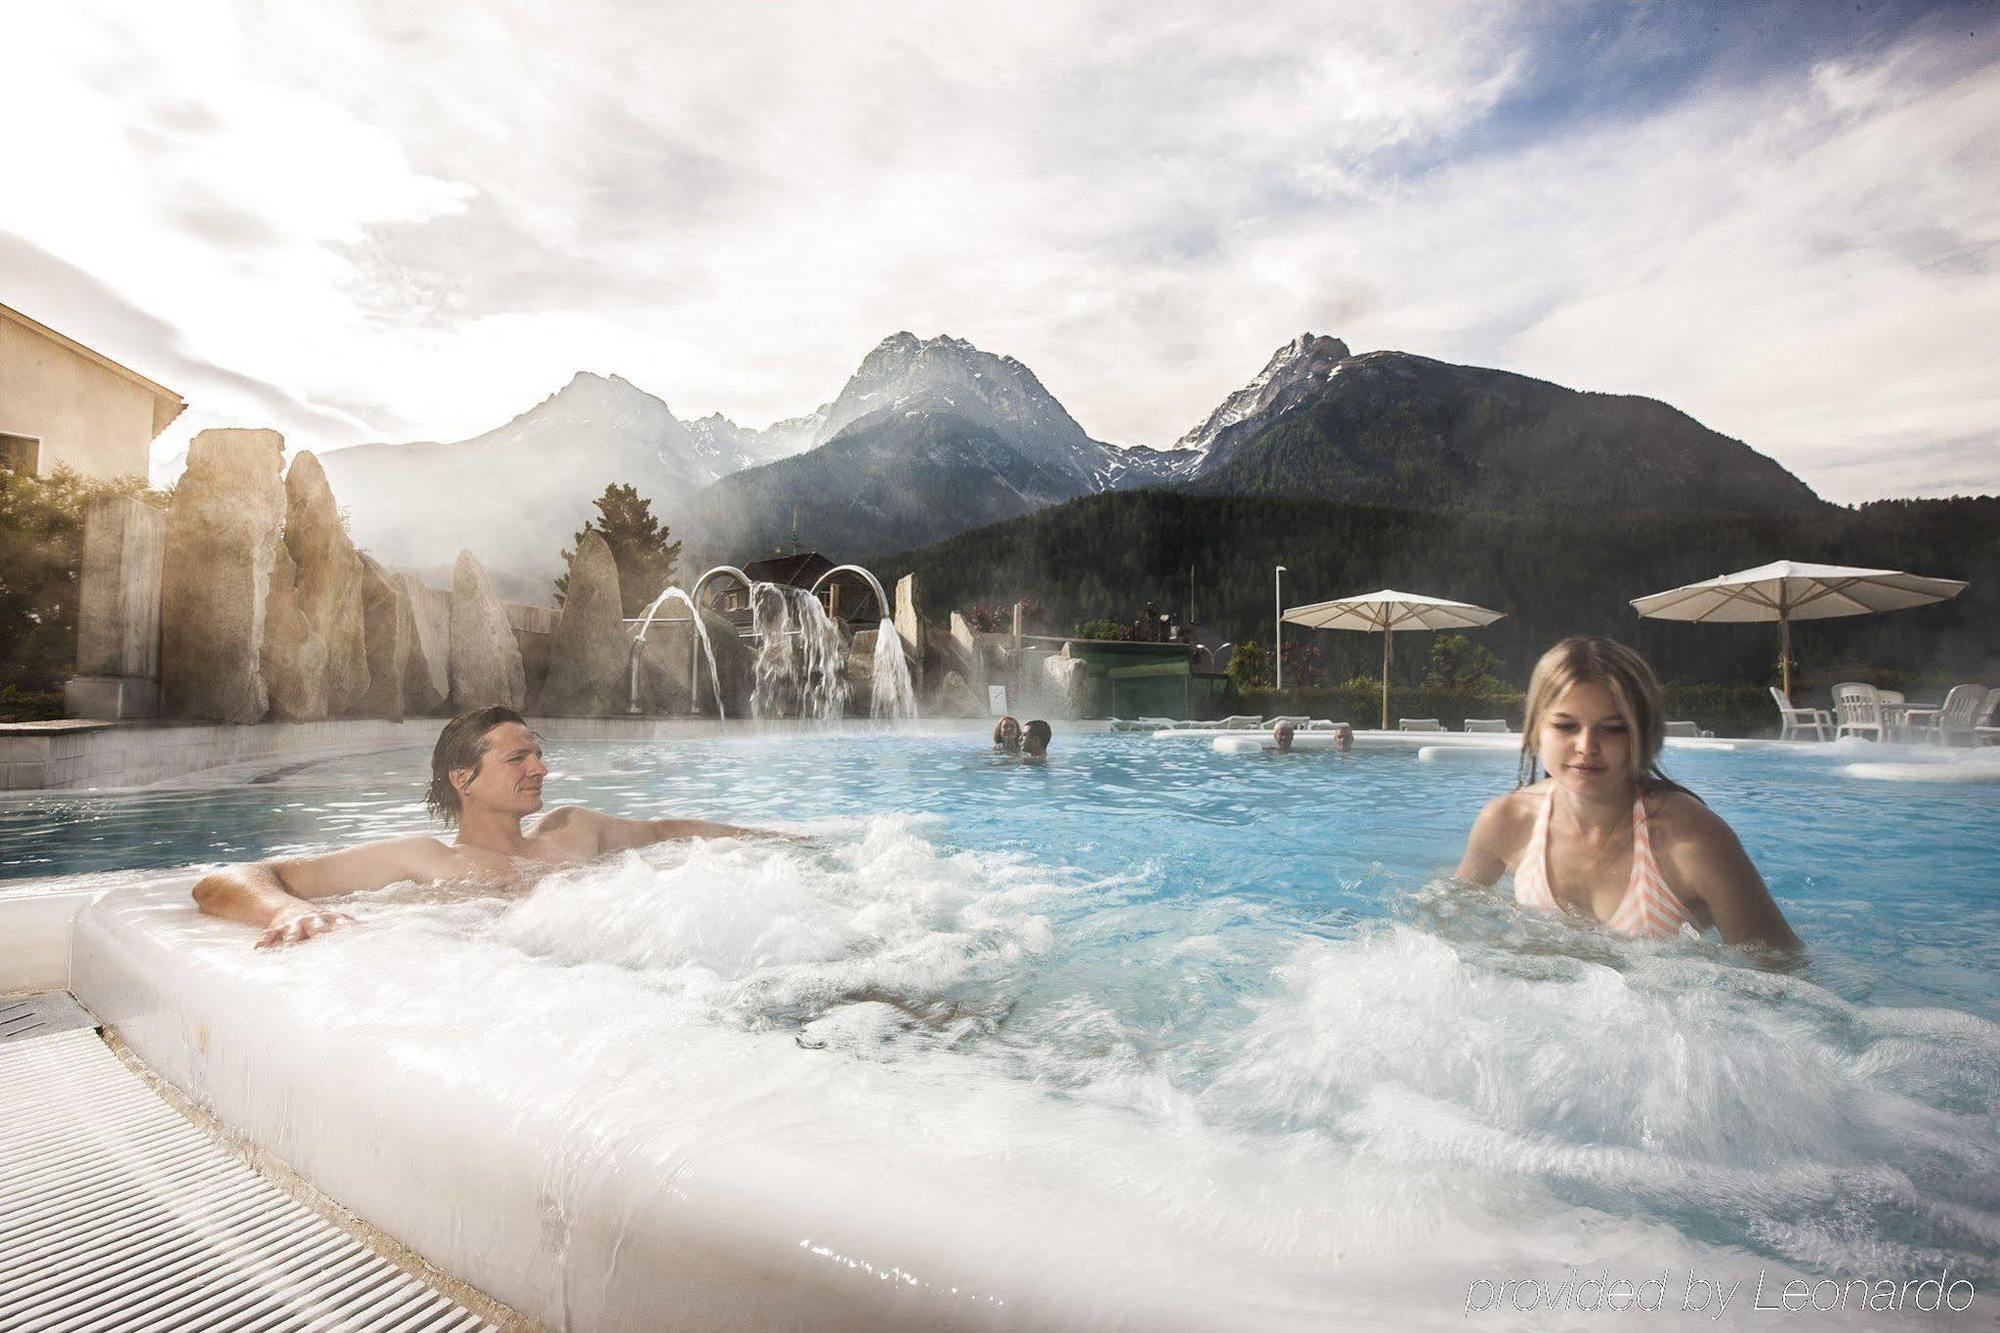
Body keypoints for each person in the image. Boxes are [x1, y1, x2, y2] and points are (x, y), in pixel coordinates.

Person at [192, 706, 782, 948]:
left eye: (538, 754)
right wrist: (283, 910)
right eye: (518, 759)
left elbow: (668, 831)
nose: (540, 768)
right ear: (463, 779)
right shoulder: (427, 860)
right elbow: (230, 877)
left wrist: (778, 843)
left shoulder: (577, 829)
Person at [1454, 638, 1799, 955]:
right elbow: (1445, 918)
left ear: (1643, 734)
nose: (1587, 747)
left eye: (1614, 728)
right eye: (1565, 726)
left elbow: (1782, 968)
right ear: (1534, 731)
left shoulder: (1692, 841)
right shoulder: (1507, 822)